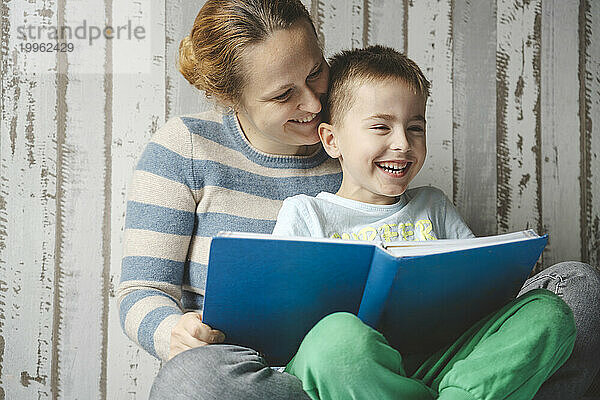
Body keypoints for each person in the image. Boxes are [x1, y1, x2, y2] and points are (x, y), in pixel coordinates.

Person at [116, 0, 600, 399]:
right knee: (195, 380)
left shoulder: (371, 144)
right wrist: (172, 331)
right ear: (234, 98)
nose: (311, 103)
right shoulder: (186, 147)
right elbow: (141, 289)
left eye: (315, 73)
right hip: (289, 379)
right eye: (284, 95)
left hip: (425, 359)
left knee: (578, 289)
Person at [271, 45, 576, 400]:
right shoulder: (306, 214)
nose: (403, 143)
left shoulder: (433, 205)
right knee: (336, 339)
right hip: (351, 372)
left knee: (550, 313)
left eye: (415, 127)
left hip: (438, 365)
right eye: (381, 127)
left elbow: (482, 296)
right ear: (332, 139)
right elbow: (284, 332)